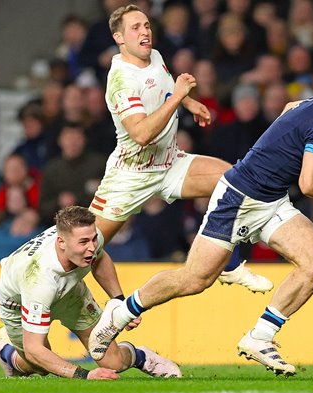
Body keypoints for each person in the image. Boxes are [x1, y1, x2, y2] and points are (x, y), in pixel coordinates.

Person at [87, 65, 313, 376]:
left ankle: (259, 338)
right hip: (240, 198)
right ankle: (120, 314)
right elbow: (309, 185)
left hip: (271, 198)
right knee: (194, 279)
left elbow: (290, 109)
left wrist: (278, 151)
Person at [88, 4, 272, 293]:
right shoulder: (121, 79)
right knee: (87, 244)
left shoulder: (154, 56)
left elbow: (163, 86)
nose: (145, 31)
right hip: (131, 175)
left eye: (147, 25)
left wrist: (188, 101)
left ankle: (230, 264)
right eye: (135, 27)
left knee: (233, 181)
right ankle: (95, 299)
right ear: (119, 38)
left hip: (170, 161)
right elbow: (141, 134)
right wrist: (179, 97)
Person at [0, 206, 181, 379]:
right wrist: (84, 375)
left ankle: (142, 357)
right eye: (83, 242)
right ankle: (7, 355)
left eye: (94, 239)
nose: (91, 247)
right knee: (37, 364)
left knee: (111, 362)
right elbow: (34, 349)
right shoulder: (39, 279)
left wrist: (119, 302)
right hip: (20, 303)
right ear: (61, 243)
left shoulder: (89, 237)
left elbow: (100, 257)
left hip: (71, 293)